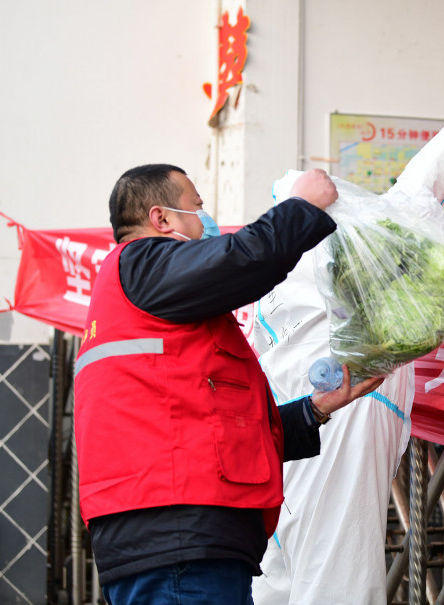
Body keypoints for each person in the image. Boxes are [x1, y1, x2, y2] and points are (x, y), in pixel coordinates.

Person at [251, 88, 444, 605]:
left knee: (275, 571)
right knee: (337, 573)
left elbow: (414, 192)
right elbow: (418, 188)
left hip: (282, 428)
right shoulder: (346, 247)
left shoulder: (273, 266)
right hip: (345, 419)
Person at [73, 164, 384, 605]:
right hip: (178, 541)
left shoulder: (149, 305)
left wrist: (314, 409)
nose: (207, 224)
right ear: (161, 220)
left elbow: (211, 427)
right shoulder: (143, 263)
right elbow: (239, 259)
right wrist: (301, 208)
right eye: (197, 209)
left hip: (178, 537)